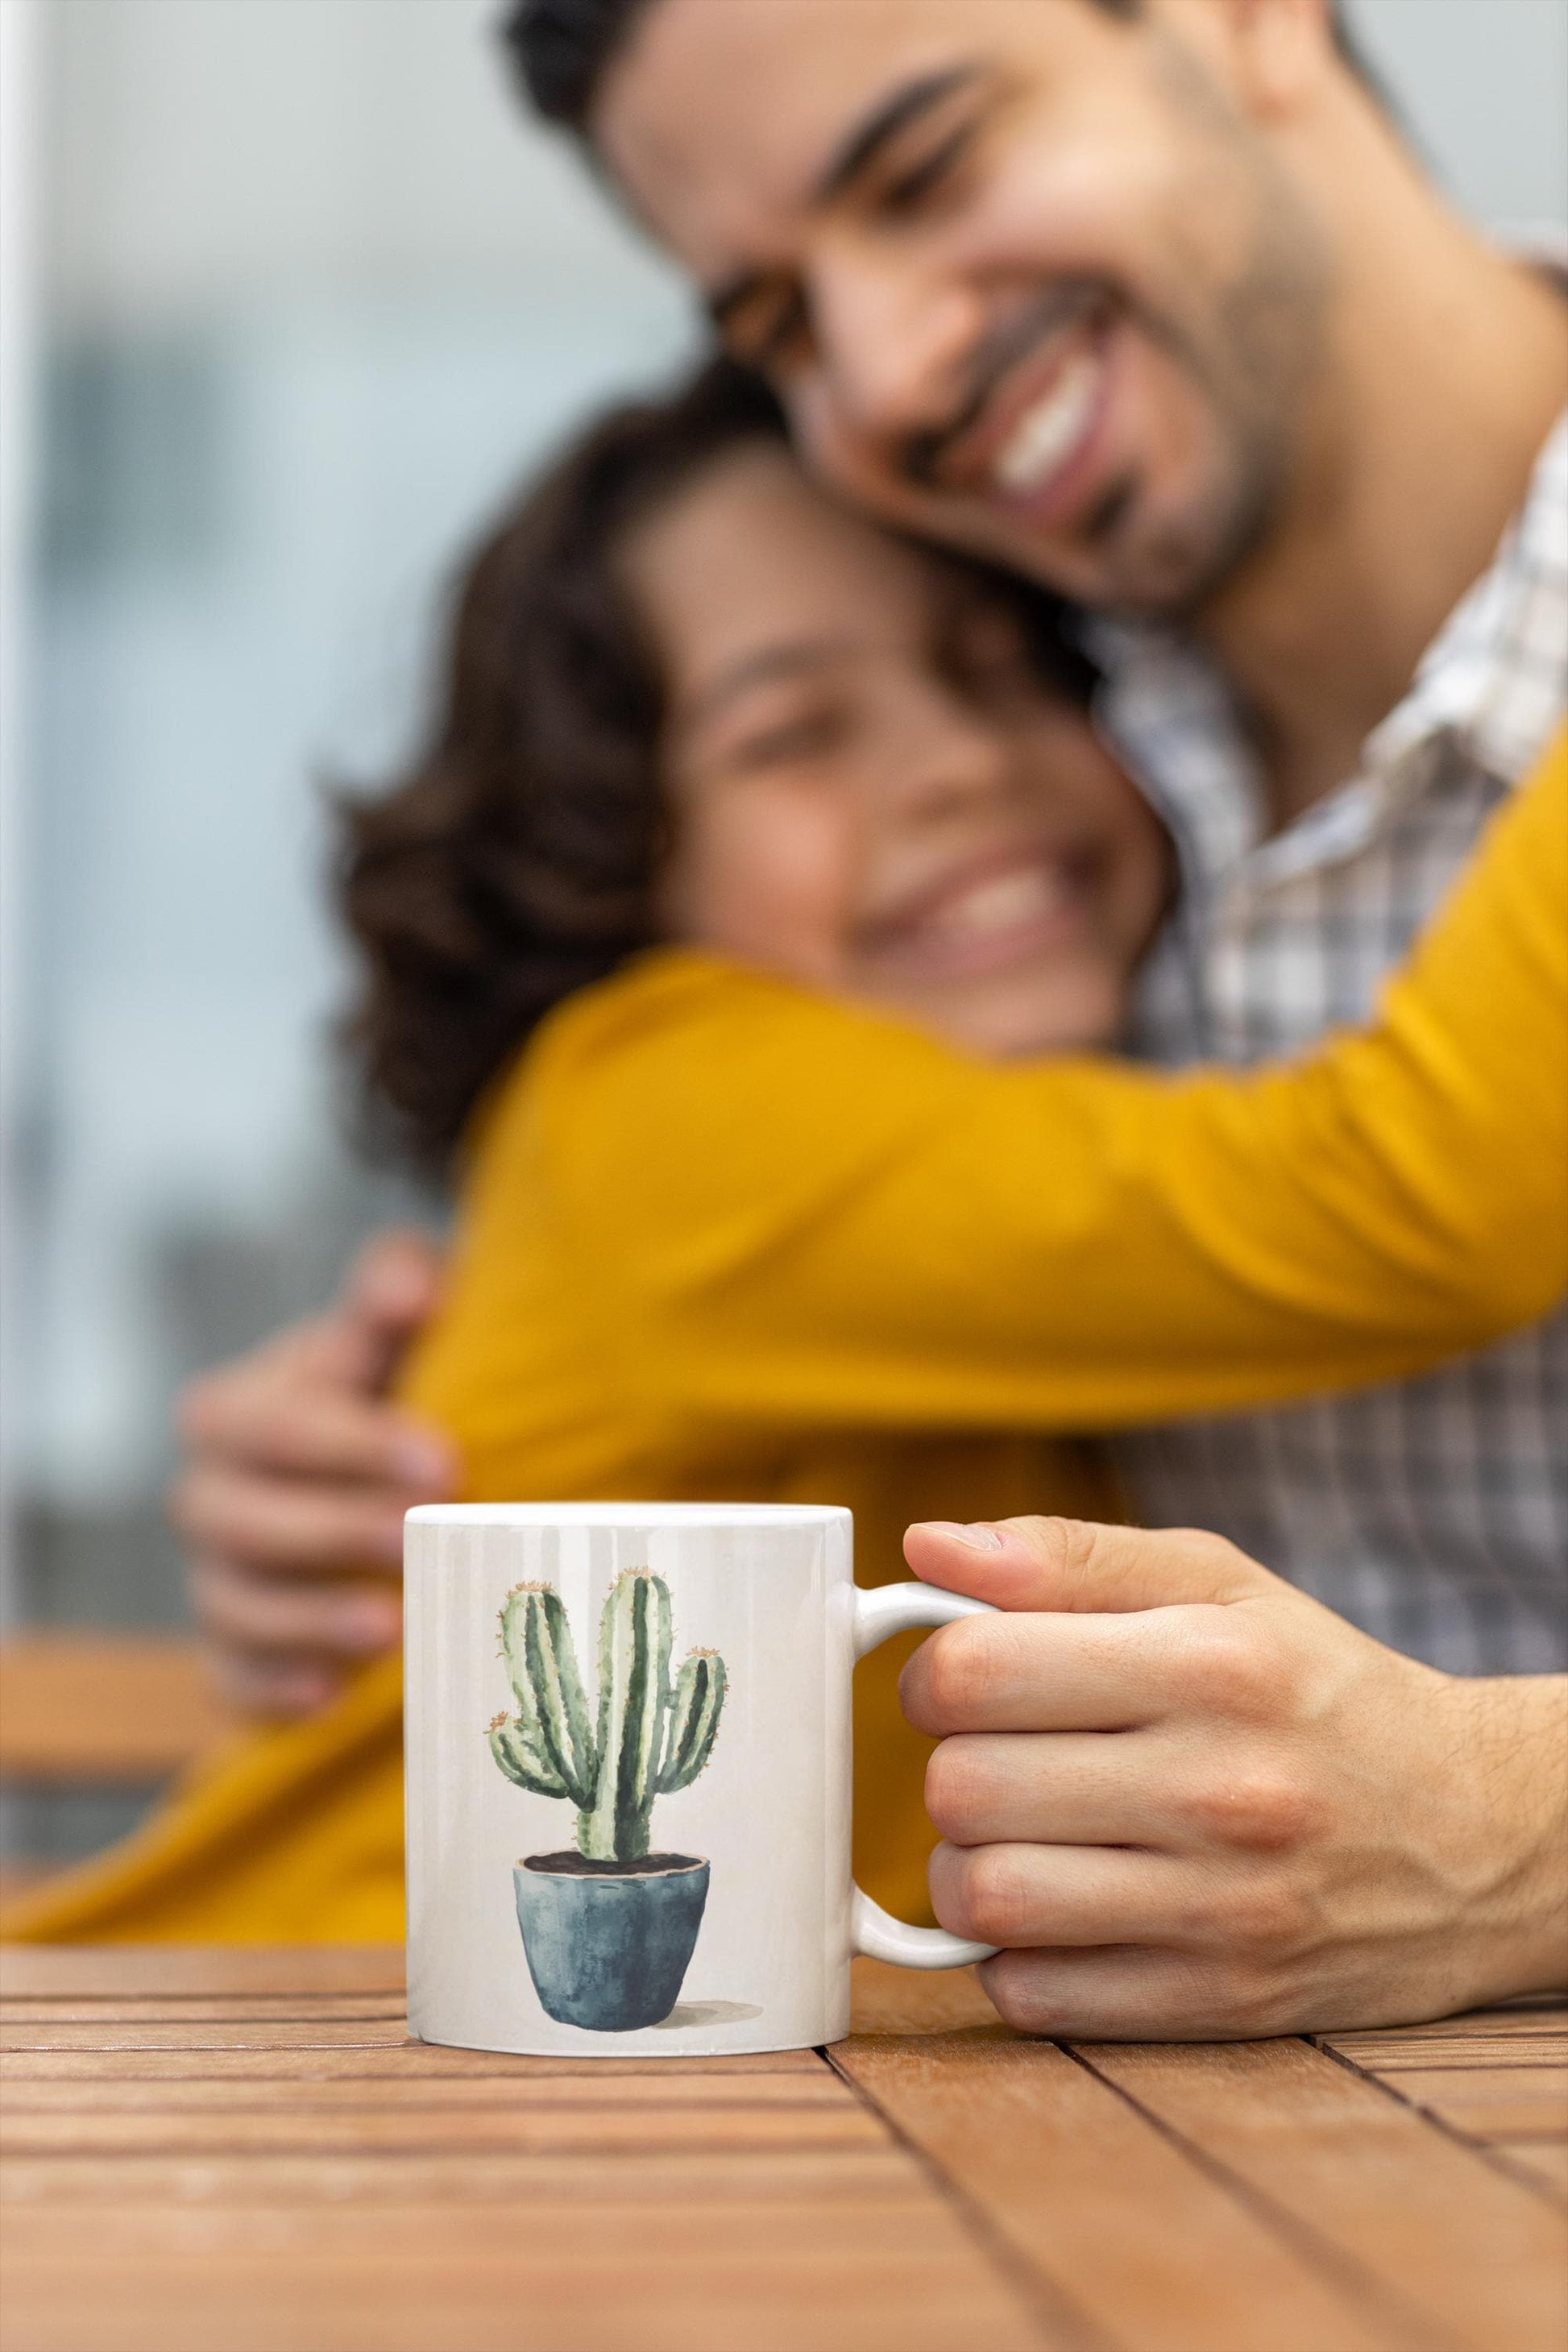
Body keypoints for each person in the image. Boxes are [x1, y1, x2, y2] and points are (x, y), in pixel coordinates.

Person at [152, 0, 1568, 2023]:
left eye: (928, 162)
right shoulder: (1075, 809)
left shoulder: (1052, 816)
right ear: (618, 854)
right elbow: (1368, 1195)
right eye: (781, 323)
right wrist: (400, 1490)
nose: (893, 373)